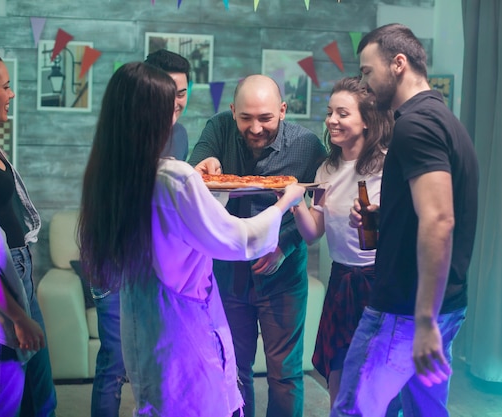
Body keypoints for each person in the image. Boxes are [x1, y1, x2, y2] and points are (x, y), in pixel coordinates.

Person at [77, 62, 305, 417]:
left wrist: (203, 190)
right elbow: (236, 239)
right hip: (182, 321)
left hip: (144, 312)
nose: (177, 112)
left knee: (156, 401)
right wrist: (286, 202)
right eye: (172, 103)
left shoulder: (110, 174)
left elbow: (186, 224)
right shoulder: (173, 176)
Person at [331, 24, 479, 417]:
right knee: (424, 412)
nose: (364, 84)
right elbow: (433, 211)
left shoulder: (415, 124)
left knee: (352, 410)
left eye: (366, 71)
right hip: (443, 303)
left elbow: (439, 219)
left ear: (398, 64)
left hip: (406, 310)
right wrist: (389, 219)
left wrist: (424, 320)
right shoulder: (443, 119)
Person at [188, 74, 327, 417]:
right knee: (233, 370)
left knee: (285, 374)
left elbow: (319, 206)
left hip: (283, 276)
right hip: (229, 273)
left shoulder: (308, 146)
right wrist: (204, 167)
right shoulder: (219, 128)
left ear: (282, 110)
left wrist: (283, 246)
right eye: (245, 118)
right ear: (233, 111)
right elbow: (198, 163)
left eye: (265, 118)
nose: (255, 128)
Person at [88, 49, 192, 417]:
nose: (176, 102)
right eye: (168, 92)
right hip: (118, 262)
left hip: (150, 266)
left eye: (182, 93)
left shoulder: (178, 134)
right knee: (116, 366)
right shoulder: (126, 132)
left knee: (154, 364)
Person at [0, 46, 57, 416]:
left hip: (19, 279)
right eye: (4, 85)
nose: (11, 93)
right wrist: (16, 316)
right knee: (2, 405)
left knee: (40, 400)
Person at [291, 76, 393, 407]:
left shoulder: (388, 166)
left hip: (379, 283)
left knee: (374, 378)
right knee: (337, 372)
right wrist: (293, 200)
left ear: (366, 120)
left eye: (343, 113)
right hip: (341, 281)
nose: (332, 120)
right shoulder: (327, 168)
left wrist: (373, 221)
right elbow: (312, 232)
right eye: (330, 112)